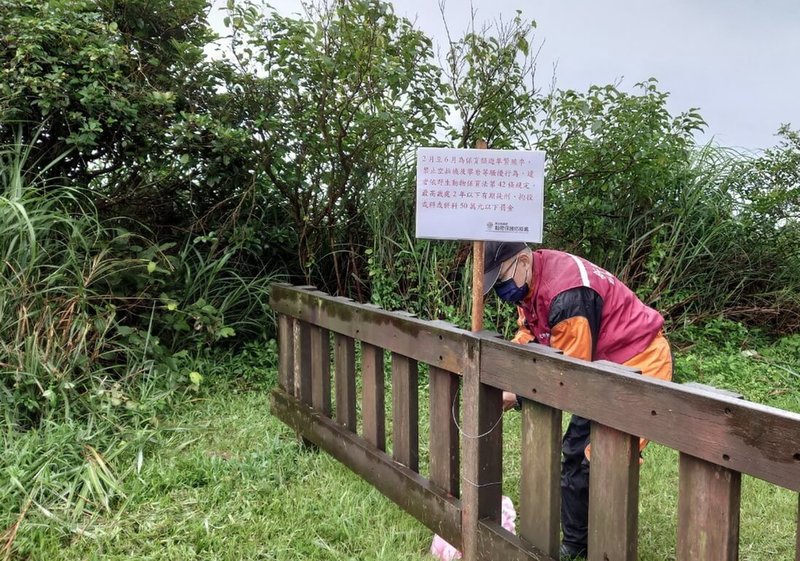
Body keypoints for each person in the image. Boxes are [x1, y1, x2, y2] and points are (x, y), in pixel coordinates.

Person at [483, 241, 673, 561]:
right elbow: (529, 336)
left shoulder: (567, 295)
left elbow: (568, 378)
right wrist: (507, 371)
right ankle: (578, 543)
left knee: (601, 458)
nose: (502, 290)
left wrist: (516, 396)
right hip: (602, 370)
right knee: (576, 451)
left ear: (524, 261)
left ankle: (604, 546)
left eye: (501, 280)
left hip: (638, 366)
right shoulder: (529, 285)